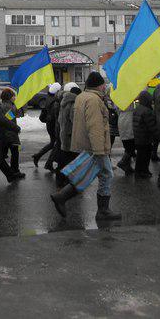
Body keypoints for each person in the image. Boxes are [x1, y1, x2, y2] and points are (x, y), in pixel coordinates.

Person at [50, 72, 121, 221]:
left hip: (86, 144)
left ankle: (61, 197)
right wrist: (99, 150)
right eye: (103, 85)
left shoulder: (82, 97)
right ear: (99, 85)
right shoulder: (94, 100)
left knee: (88, 174)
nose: (104, 87)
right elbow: (94, 126)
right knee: (106, 175)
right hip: (94, 146)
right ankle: (102, 210)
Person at [55, 82, 82, 185]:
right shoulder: (73, 104)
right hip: (70, 135)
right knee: (71, 158)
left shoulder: (64, 102)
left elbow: (60, 119)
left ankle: (60, 179)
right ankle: (67, 180)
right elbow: (75, 120)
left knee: (64, 158)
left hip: (64, 133)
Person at [32, 82, 62, 170]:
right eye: (59, 90)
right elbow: (54, 116)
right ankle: (48, 163)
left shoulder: (49, 97)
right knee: (56, 145)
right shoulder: (54, 101)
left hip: (50, 124)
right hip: (53, 125)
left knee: (53, 144)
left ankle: (38, 156)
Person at [132, 90, 156, 179]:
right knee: (146, 156)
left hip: (138, 137)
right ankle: (144, 171)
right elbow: (152, 126)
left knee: (140, 156)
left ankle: (138, 172)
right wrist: (158, 137)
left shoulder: (137, 109)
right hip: (145, 138)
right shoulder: (147, 111)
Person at [0, 88, 24, 176]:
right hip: (10, 133)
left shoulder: (3, 105)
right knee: (14, 152)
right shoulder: (9, 107)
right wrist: (16, 128)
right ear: (9, 97)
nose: (15, 97)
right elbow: (11, 120)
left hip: (4, 133)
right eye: (13, 96)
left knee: (1, 154)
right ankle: (15, 171)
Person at [116, 102, 135, 175]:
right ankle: (123, 162)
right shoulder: (128, 101)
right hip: (128, 121)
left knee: (127, 145)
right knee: (130, 146)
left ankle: (127, 167)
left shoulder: (118, 100)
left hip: (121, 120)